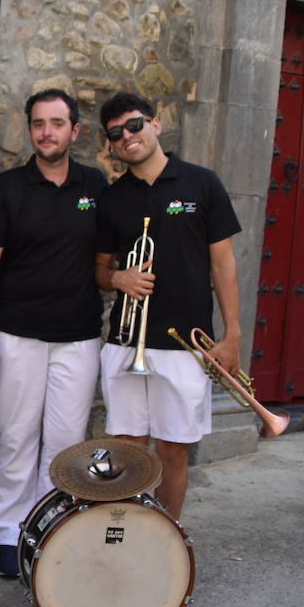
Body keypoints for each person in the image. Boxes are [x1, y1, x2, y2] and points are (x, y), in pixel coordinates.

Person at [0, 89, 106, 579]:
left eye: (57, 123)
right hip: (16, 334)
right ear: (30, 130)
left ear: (75, 130)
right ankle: (9, 534)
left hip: (78, 335)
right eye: (38, 124)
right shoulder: (6, 188)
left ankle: (50, 527)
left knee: (67, 441)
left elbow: (106, 260)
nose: (47, 132)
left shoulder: (96, 185)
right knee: (17, 438)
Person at [94, 91, 242, 519]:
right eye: (116, 134)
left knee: (174, 450)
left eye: (135, 125)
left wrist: (232, 336)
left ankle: (168, 538)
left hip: (183, 343)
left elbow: (224, 265)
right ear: (111, 144)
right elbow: (101, 270)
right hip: (126, 342)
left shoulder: (203, 183)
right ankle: (125, 530)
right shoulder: (113, 198)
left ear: (156, 124)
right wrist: (118, 278)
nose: (127, 137)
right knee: (127, 450)